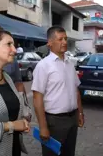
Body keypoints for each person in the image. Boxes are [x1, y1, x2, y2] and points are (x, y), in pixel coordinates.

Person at [32, 26, 84, 156]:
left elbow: (76, 90)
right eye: (60, 39)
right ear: (49, 43)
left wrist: (80, 112)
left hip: (72, 119)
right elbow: (37, 98)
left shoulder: (70, 64)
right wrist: (43, 126)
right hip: (54, 122)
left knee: (69, 153)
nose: (65, 42)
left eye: (65, 38)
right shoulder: (43, 66)